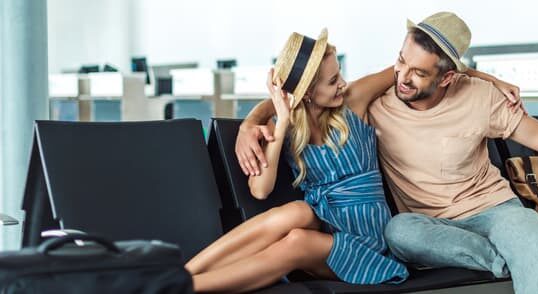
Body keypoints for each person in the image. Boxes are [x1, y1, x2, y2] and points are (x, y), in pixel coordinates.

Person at [240, 12, 538, 294]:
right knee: (398, 232)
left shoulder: (479, 96)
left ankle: (535, 251)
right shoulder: (375, 100)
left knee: (529, 231)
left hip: (495, 211)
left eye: (419, 73)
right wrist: (248, 125)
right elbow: (300, 97)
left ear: (449, 77)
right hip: (427, 228)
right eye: (401, 62)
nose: (403, 76)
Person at [187, 28, 519, 293]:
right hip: (327, 227)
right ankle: (184, 273)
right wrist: (281, 118)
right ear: (306, 93)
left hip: (370, 241)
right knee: (296, 213)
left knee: (298, 239)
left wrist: (493, 81)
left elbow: (437, 67)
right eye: (333, 81)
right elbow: (260, 190)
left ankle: (183, 286)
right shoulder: (285, 129)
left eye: (340, 73)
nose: (343, 83)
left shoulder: (354, 100)